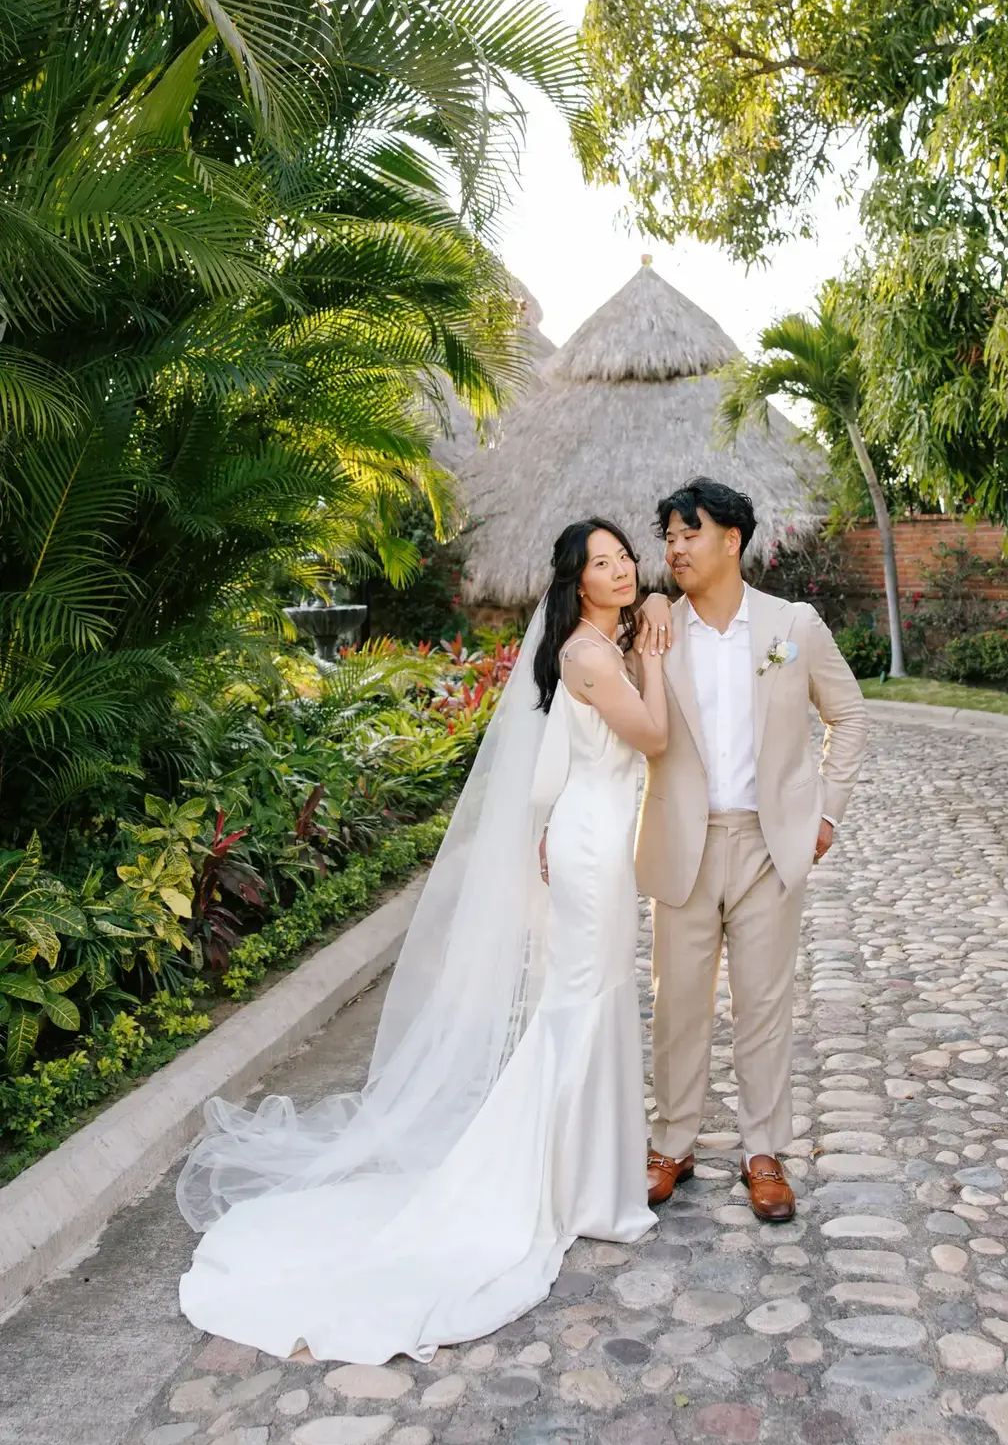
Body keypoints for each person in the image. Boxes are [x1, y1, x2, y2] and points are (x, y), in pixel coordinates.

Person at [175, 518, 668, 1366]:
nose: (622, 569)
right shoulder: (591, 655)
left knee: (590, 998)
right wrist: (653, 654)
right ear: (576, 580)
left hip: (594, 833)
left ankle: (590, 1177)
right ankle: (568, 1183)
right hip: (591, 845)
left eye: (625, 557)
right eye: (604, 562)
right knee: (584, 1002)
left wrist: (648, 614)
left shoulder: (598, 641)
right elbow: (654, 736)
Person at [633, 478, 868, 1221]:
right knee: (677, 1004)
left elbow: (849, 714)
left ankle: (763, 1151)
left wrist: (826, 816)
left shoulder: (791, 625)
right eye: (669, 537)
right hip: (685, 841)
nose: (675, 548)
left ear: (731, 540)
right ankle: (671, 1143)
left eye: (690, 534)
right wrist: (646, 607)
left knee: (764, 1005)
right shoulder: (657, 629)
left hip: (768, 846)